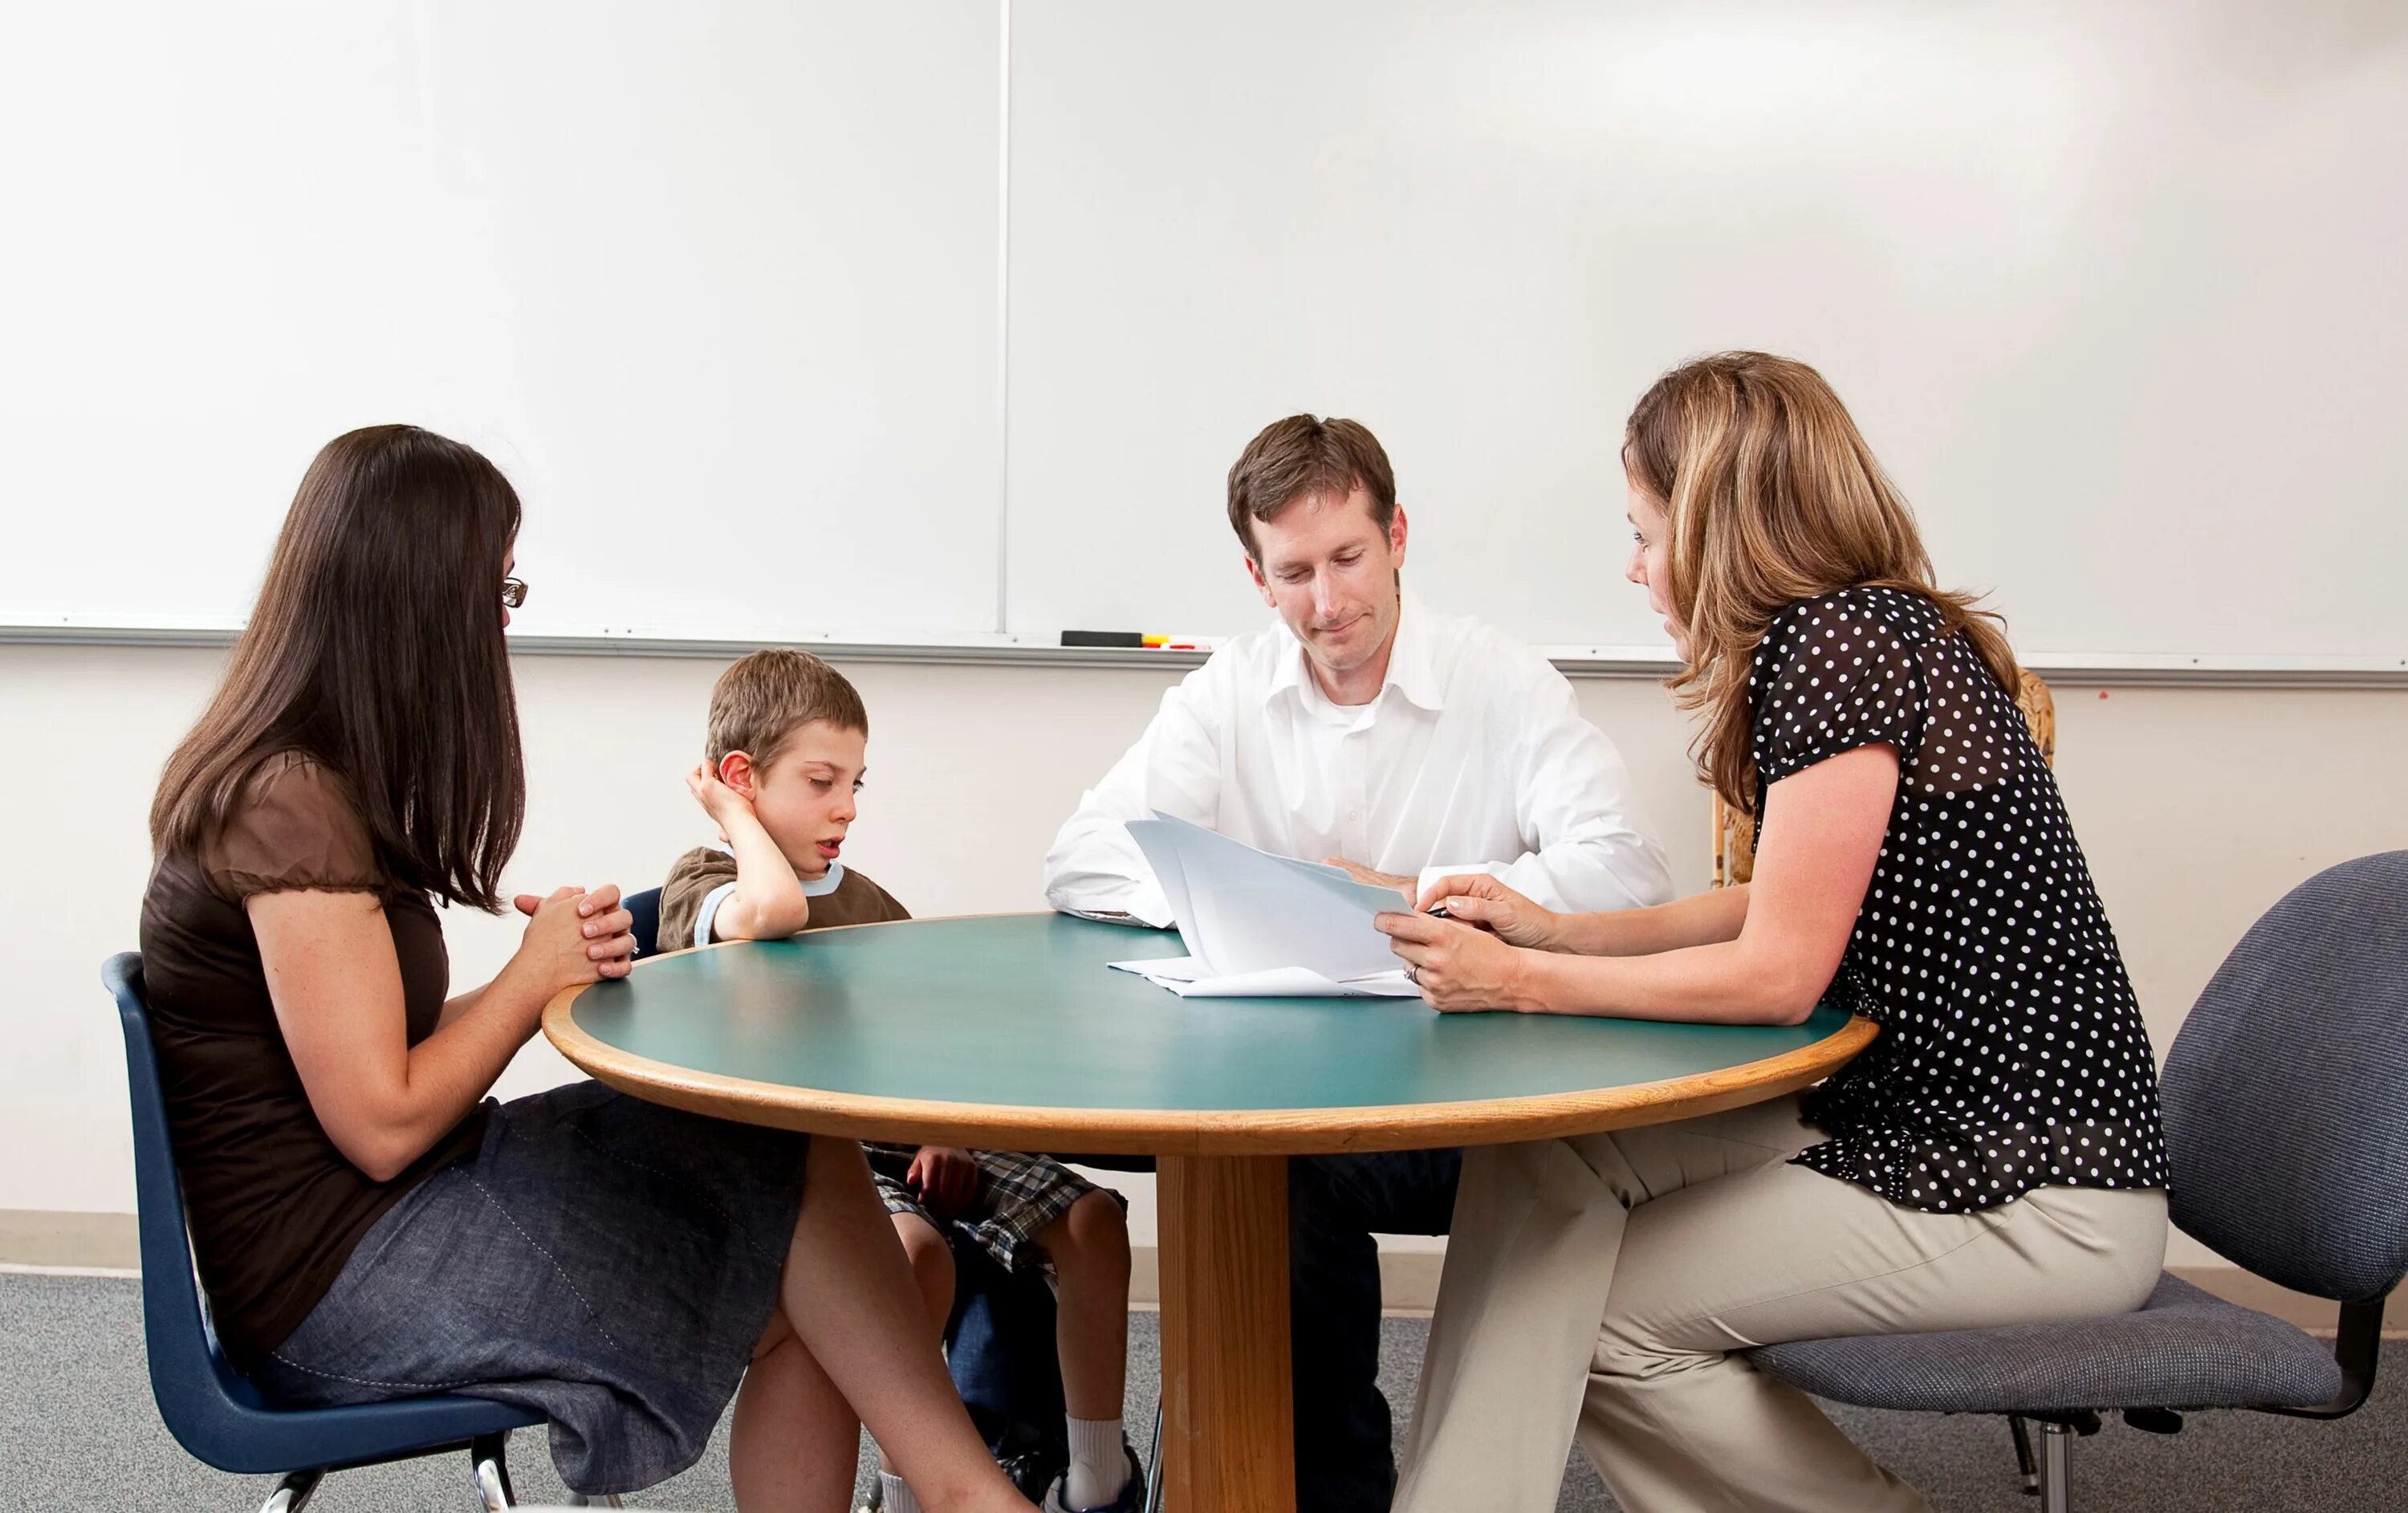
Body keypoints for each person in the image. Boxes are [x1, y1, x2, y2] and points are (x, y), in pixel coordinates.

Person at [138, 425, 1033, 1513]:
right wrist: (528, 980)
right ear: (415, 592)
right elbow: (378, 1121)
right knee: (783, 1217)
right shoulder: (288, 803)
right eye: (498, 586)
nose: (504, 618)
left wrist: (552, 970)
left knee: (788, 1158)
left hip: (387, 1219)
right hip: (339, 1288)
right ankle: (970, 1491)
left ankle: (964, 1489)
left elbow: (368, 1057)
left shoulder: (308, 781)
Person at [1373, 352, 2173, 1513]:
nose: (1636, 566)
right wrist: (1559, 934)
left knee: (1600, 1320)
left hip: (2032, 1188)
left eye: (1647, 531)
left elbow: (1780, 968)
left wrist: (1522, 981)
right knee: (1546, 1154)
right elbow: (1786, 897)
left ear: (1719, 524)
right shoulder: (1869, 633)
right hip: (1925, 1125)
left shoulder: (1840, 648)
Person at [1043, 413, 1673, 1510]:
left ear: (1397, 539)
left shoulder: (1501, 682)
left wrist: (1415, 897)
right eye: (1294, 573)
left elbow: (1626, 871)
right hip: (1286, 1086)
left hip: (1476, 1094)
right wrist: (1225, 898)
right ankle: (1298, 1483)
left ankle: (1332, 1485)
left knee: (1288, 1172)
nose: (1327, 603)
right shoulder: (1230, 691)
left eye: (1348, 560)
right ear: (1255, 572)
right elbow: (1081, 859)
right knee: (1268, 1167)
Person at [665, 649, 1143, 1513]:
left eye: (856, 781)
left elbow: (931, 1047)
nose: (847, 805)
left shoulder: (875, 906)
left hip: (911, 1133)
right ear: (740, 779)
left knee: (1096, 1223)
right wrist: (730, 818)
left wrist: (943, 1131)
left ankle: (1096, 1480)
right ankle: (906, 1492)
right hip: (821, 1167)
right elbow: (771, 914)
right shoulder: (706, 884)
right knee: (910, 1256)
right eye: (821, 781)